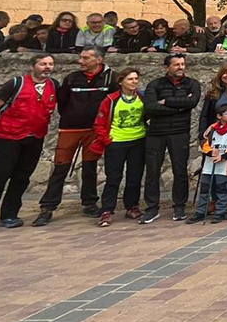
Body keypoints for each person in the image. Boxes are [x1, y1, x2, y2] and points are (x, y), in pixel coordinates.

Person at [0, 55, 59, 236]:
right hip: (8, 138)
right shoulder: (16, 83)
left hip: (34, 137)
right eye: (43, 64)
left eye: (50, 64)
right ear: (32, 66)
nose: (47, 67)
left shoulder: (54, 85)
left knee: (22, 177)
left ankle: (9, 215)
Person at [33, 48, 116, 226]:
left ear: (99, 59)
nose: (81, 61)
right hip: (70, 129)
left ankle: (89, 202)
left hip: (94, 130)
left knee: (90, 167)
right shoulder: (72, 77)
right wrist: (72, 117)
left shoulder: (111, 78)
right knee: (60, 168)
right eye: (81, 57)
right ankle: (47, 207)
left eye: (86, 58)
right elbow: (62, 102)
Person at [140, 54, 202, 224]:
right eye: (176, 65)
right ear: (167, 67)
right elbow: (150, 106)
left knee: (180, 170)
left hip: (179, 132)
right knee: (152, 171)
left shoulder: (192, 84)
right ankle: (152, 208)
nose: (180, 67)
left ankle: (179, 206)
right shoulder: (155, 84)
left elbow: (192, 102)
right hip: (156, 133)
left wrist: (166, 101)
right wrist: (178, 108)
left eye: (182, 64)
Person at [90, 68, 146, 227]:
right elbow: (99, 123)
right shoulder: (110, 100)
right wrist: (107, 140)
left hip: (138, 140)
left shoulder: (141, 97)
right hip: (116, 143)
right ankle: (107, 209)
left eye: (136, 79)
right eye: (130, 79)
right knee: (113, 177)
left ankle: (132, 206)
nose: (134, 82)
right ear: (121, 81)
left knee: (134, 176)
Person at [187, 104, 227, 225]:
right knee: (205, 188)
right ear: (219, 116)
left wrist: (224, 156)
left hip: (224, 163)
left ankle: (221, 211)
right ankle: (201, 211)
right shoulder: (212, 129)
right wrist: (211, 152)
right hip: (209, 163)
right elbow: (205, 144)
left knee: (222, 189)